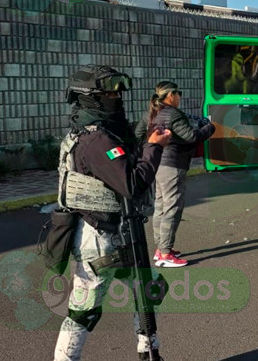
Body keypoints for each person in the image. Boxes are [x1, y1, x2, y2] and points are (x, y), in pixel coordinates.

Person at [54, 65, 172, 361]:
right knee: (84, 313)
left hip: (120, 233)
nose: (116, 97)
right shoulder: (95, 140)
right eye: (108, 92)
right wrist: (155, 148)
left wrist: (148, 141)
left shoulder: (107, 132)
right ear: (90, 97)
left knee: (149, 289)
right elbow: (131, 183)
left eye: (119, 91)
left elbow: (128, 161)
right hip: (97, 239)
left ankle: (148, 352)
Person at [135, 81, 215, 268]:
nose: (180, 96)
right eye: (178, 93)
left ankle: (161, 248)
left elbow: (138, 134)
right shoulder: (174, 114)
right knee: (172, 208)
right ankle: (165, 254)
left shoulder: (150, 113)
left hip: (156, 163)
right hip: (172, 165)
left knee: (161, 206)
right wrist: (210, 127)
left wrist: (151, 146)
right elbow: (191, 137)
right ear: (171, 95)